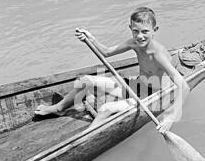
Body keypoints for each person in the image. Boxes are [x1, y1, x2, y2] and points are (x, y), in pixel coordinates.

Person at [34, 7, 190, 132]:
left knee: (105, 109)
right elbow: (106, 52)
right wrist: (90, 38)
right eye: (135, 31)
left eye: (145, 31)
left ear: (154, 30)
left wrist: (171, 117)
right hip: (137, 86)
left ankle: (86, 138)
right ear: (131, 28)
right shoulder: (133, 43)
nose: (140, 36)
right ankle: (59, 108)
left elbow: (184, 86)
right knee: (84, 81)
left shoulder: (158, 54)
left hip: (152, 97)